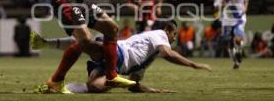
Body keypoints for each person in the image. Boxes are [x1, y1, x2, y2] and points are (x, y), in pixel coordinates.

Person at [31, 20, 212, 93]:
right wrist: (194, 65)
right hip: (118, 53)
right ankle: (46, 42)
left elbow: (133, 85)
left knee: (94, 86)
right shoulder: (160, 34)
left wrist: (153, 90)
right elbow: (168, 53)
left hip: (116, 66)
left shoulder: (148, 57)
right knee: (85, 43)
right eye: (174, 34)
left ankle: (54, 88)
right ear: (168, 30)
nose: (174, 38)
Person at [214, 0, 249, 69]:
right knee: (229, 43)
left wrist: (245, 8)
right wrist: (221, 5)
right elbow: (216, 7)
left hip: (239, 18)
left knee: (238, 39)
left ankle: (239, 51)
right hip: (227, 21)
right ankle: (236, 62)